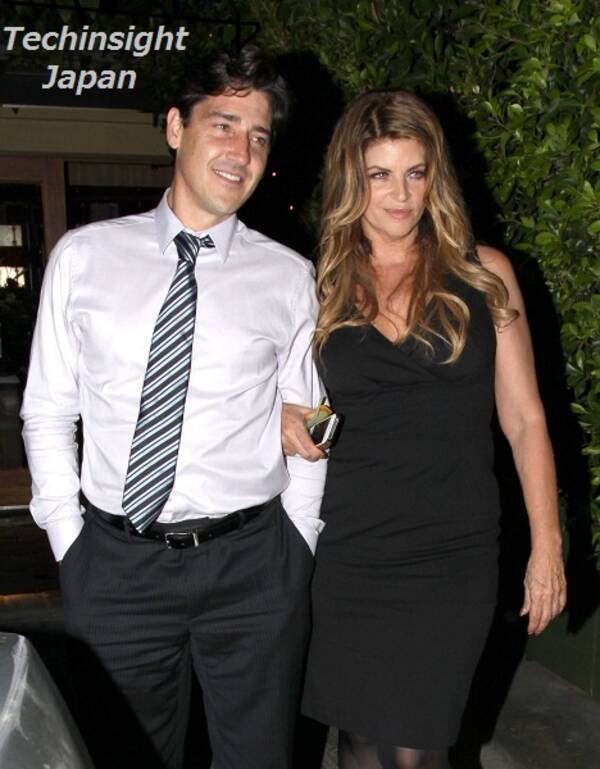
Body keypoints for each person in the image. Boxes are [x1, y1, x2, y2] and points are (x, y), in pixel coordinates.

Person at [21, 45, 326, 769]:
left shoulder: (289, 276)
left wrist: (300, 540)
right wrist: (70, 539)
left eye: (258, 136)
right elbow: (48, 410)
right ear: (174, 127)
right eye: (223, 124)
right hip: (115, 566)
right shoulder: (84, 258)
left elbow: (311, 418)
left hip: (254, 565)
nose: (241, 152)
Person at [282, 90, 566, 769]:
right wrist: (289, 418)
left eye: (416, 173)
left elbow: (525, 418)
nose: (401, 195)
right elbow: (328, 408)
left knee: (416, 752)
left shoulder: (483, 274)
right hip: (350, 550)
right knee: (358, 743)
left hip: (451, 552)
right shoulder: (318, 283)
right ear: (352, 180)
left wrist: (548, 544)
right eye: (380, 175)